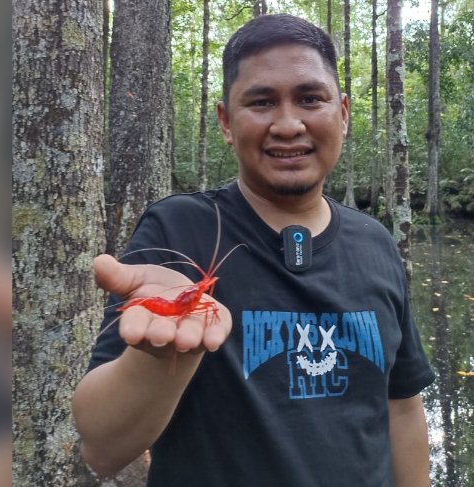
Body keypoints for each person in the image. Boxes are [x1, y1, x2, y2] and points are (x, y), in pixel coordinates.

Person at [72, 14, 435, 487]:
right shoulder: (180, 229)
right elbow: (101, 449)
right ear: (226, 122)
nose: (287, 125)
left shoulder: (376, 242)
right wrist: (156, 357)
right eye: (261, 102)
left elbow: (403, 407)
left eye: (310, 98)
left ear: (342, 113)